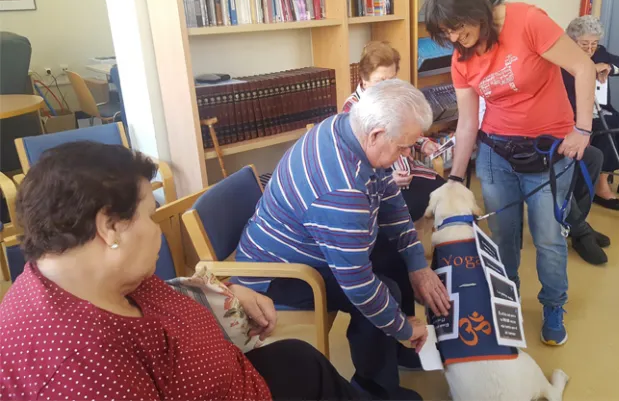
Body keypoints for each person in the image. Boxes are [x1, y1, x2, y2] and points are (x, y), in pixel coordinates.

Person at [0, 141, 364, 401]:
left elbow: (165, 297)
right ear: (109, 227)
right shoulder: (82, 371)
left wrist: (230, 295)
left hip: (243, 375)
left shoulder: (83, 273)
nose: (157, 229)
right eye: (149, 215)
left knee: (302, 361)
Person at [236, 79, 450, 400]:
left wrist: (418, 266)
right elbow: (360, 288)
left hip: (305, 243)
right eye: (404, 146)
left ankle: (398, 348)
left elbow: (390, 199)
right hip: (277, 275)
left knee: (396, 255)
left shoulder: (345, 125)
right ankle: (375, 390)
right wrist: (404, 326)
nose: (408, 154)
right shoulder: (341, 193)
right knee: (383, 291)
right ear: (376, 134)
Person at [424, 0, 597, 346]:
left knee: (548, 237)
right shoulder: (461, 59)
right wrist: (455, 178)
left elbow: (582, 66)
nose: (454, 38)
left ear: (474, 9)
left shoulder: (527, 21)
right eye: (445, 32)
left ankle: (553, 304)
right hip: (496, 152)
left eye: (455, 27)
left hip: (549, 151)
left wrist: (582, 130)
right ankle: (508, 300)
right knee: (503, 238)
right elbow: (468, 122)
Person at [343, 40, 445, 222]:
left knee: (449, 196)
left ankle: (446, 248)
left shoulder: (395, 97)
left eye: (392, 80)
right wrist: (386, 181)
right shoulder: (352, 110)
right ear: (364, 80)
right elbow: (353, 163)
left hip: (411, 173)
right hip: (379, 186)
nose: (387, 88)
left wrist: (424, 143)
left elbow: (409, 129)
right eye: (380, 81)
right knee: (402, 216)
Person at [563, 15, 619, 211]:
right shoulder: (564, 57)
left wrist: (610, 67)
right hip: (576, 113)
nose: (590, 48)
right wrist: (588, 70)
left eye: (594, 43)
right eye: (584, 43)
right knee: (606, 130)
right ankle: (601, 187)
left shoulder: (600, 53)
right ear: (572, 41)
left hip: (602, 109)